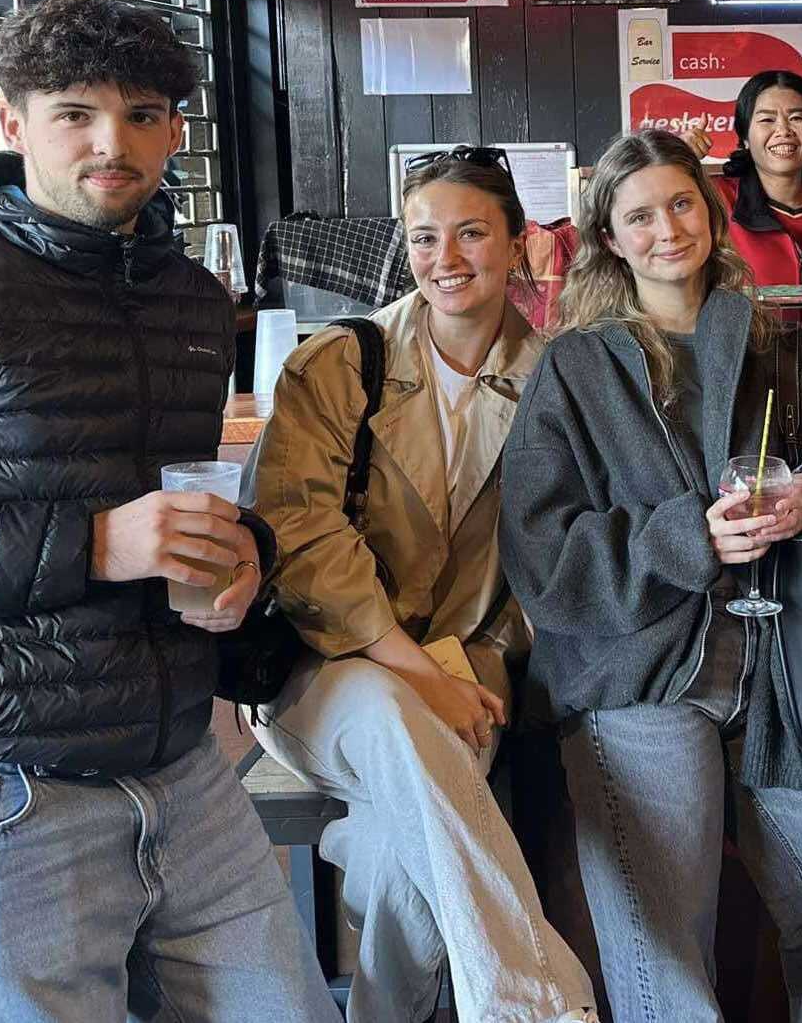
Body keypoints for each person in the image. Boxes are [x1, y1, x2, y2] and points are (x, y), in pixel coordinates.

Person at [0, 0, 338, 1023]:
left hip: (177, 764)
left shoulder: (186, 294)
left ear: (176, 129)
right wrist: (90, 544)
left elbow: (170, 506)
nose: (110, 141)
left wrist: (241, 562)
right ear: (11, 122)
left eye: (140, 113)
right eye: (75, 111)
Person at [499, 128, 802, 1023]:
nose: (666, 230)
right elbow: (542, 556)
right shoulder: (575, 369)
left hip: (787, 679)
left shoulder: (784, 351)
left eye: (682, 204)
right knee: (666, 951)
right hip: (641, 679)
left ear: (714, 210)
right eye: (639, 215)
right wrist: (684, 538)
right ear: (608, 237)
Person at [247, 146, 597, 1023]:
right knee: (405, 729)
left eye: (472, 233)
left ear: (519, 243)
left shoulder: (555, 377)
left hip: (469, 667)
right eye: (425, 237)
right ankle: (533, 999)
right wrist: (414, 668)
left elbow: (551, 559)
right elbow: (301, 537)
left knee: (396, 848)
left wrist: (472, 670)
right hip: (320, 667)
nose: (447, 258)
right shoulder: (338, 364)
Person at [716, 69, 802, 285]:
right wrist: (679, 158)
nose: (783, 130)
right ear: (745, 136)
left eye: (797, 117)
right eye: (767, 120)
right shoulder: (716, 200)